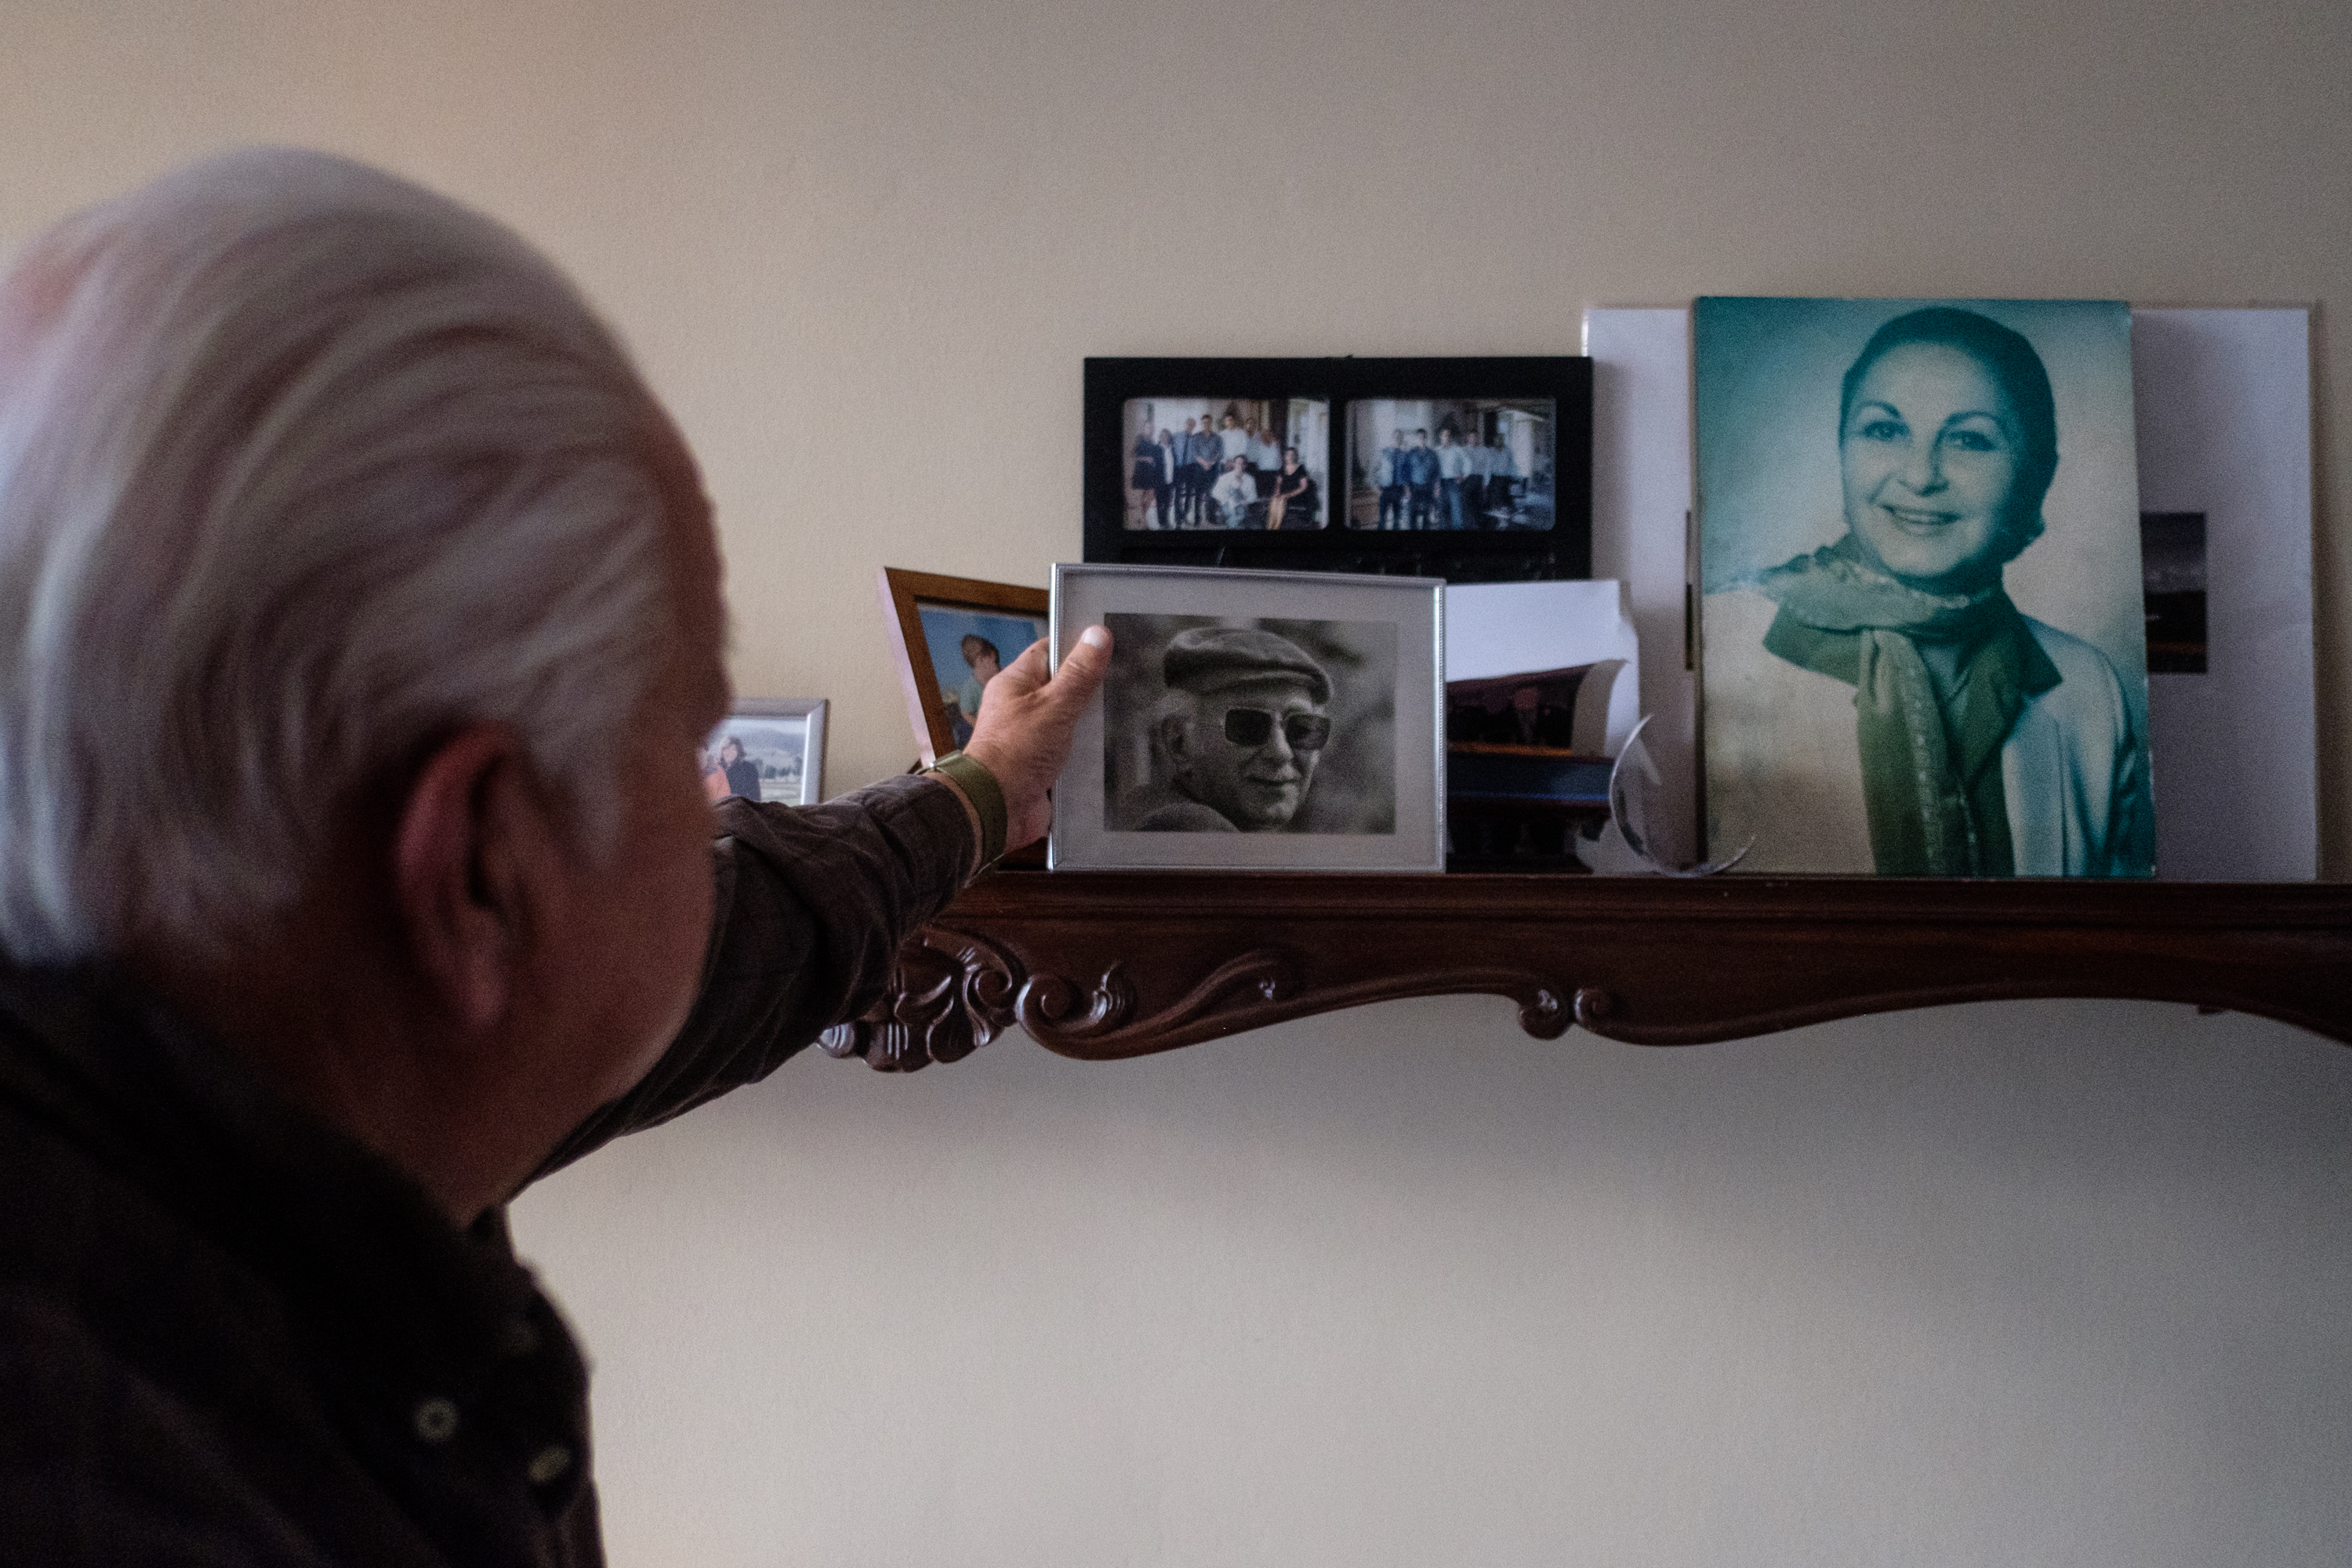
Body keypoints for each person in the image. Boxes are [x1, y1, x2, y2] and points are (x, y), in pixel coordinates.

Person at [0, 148, 1110, 1563]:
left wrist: (980, 793)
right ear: (478, 873)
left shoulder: (292, 1045)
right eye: (685, 748)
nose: (712, 807)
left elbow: (744, 937)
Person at [1704, 306, 2153, 877]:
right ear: (1842, 449)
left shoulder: (2091, 693)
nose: (1920, 476)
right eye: (1885, 430)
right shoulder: (1714, 648)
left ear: (2034, 475)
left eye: (1969, 439)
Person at [1134, 627, 1332, 832]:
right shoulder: (1192, 826)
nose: (1281, 752)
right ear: (1180, 743)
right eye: (1248, 725)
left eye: (1301, 729)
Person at [1266, 445, 1316, 530]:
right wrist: (1277, 493)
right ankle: (1271, 526)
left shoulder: (1301, 469)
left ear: (1295, 456)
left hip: (1297, 496)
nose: (1289, 456)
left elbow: (1303, 487)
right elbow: (1278, 483)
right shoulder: (1282, 468)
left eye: (1291, 454)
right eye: (1287, 454)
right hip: (1284, 494)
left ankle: (1277, 527)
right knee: (1274, 499)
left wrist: (1288, 495)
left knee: (1281, 500)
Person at [1130, 417, 1165, 528]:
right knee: (1142, 496)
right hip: (1141, 471)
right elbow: (1133, 455)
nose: (1150, 429)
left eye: (1152, 428)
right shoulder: (1139, 439)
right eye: (1148, 427)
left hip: (1150, 472)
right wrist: (1145, 459)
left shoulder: (1152, 441)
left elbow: (1155, 455)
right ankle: (1142, 521)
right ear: (1144, 427)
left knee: (1150, 496)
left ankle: (1142, 517)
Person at [1402, 427, 1440, 527]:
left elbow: (1436, 471)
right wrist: (1407, 488)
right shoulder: (1410, 453)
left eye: (1423, 437)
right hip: (1414, 487)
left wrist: (1436, 487)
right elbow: (1405, 471)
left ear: (1426, 439)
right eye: (1419, 437)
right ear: (1416, 438)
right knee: (1412, 514)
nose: (1421, 439)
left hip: (1428, 487)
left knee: (1426, 514)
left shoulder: (1432, 454)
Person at [1436, 426, 1471, 530]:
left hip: (1453, 482)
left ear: (1451, 437)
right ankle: (1442, 528)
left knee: (1456, 509)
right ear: (1441, 437)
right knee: (1442, 508)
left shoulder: (1457, 449)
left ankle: (1457, 528)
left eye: (1448, 436)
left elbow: (1468, 462)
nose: (1447, 438)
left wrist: (1464, 476)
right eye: (1444, 436)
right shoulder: (1437, 450)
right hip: (1441, 483)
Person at [1210, 454, 1258, 528]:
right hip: (1227, 504)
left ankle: (1230, 527)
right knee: (1238, 514)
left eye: (1243, 464)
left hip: (1242, 504)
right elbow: (1214, 492)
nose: (1240, 466)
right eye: (1238, 463)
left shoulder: (1250, 479)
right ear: (1234, 464)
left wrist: (1244, 500)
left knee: (1238, 512)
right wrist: (1227, 499)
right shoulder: (1225, 477)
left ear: (1245, 466)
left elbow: (1253, 497)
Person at [1374, 426, 1407, 529]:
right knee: (1382, 519)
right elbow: (1374, 471)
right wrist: (1377, 487)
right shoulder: (1384, 452)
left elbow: (1406, 474)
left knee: (1397, 520)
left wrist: (1406, 489)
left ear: (1402, 440)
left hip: (1398, 489)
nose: (1398, 439)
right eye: (1396, 437)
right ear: (1392, 438)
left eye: (1400, 437)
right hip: (1385, 489)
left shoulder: (1404, 455)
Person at [717, 735, 763, 801]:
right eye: (726, 748)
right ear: (722, 751)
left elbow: (756, 796)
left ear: (739, 752)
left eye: (733, 749)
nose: (729, 752)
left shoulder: (748, 769)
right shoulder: (716, 769)